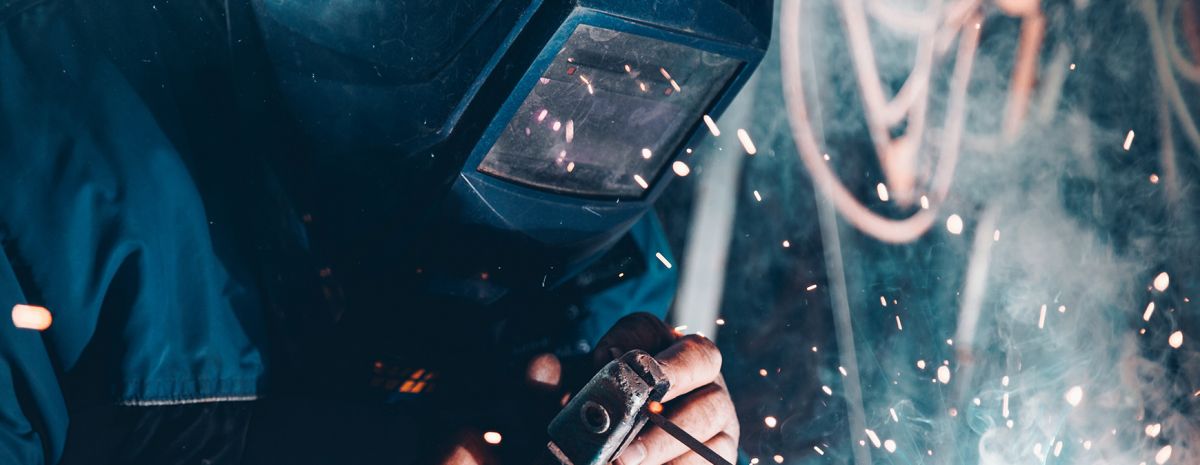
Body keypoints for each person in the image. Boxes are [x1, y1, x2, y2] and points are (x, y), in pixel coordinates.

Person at [0, 0, 768, 463]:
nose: (566, 132)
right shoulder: (51, 162)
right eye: (552, 91)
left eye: (618, 97)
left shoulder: (603, 273)